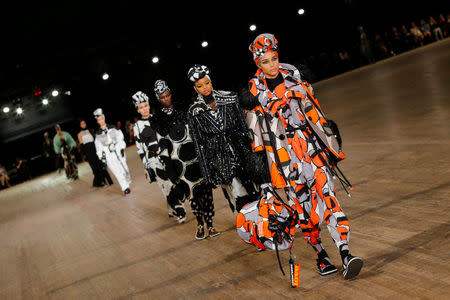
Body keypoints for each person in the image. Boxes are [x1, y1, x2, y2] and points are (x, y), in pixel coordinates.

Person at [243, 33, 363, 280]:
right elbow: (257, 138)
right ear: (258, 64)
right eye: (266, 61)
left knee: (328, 198)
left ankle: (345, 253)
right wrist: (263, 174)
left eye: (274, 58)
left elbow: (316, 114)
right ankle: (320, 254)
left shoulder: (297, 79)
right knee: (304, 210)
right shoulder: (254, 95)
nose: (272, 64)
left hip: (310, 149)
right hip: (284, 159)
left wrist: (330, 141)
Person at [133, 84, 219, 239]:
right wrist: (169, 169)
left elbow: (195, 130)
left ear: (170, 94)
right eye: (162, 97)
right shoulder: (158, 119)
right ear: (158, 99)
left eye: (167, 95)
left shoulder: (183, 109)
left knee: (206, 192)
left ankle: (211, 225)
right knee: (192, 195)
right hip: (180, 164)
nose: (165, 99)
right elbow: (162, 145)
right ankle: (200, 225)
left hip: (196, 157)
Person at [186, 65, 261, 214]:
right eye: (200, 86)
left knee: (256, 190)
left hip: (242, 151)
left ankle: (264, 221)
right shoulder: (194, 112)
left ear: (211, 81)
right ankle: (248, 226)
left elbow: (243, 126)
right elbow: (199, 144)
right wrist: (208, 174)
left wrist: (254, 152)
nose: (205, 88)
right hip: (220, 158)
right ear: (195, 88)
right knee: (238, 195)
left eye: (207, 83)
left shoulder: (229, 97)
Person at [94, 108, 131, 195]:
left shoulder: (113, 128)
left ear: (104, 118)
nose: (101, 121)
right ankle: (125, 187)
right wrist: (103, 158)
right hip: (109, 155)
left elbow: (120, 138)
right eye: (99, 120)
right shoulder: (98, 134)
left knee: (124, 170)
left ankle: (127, 181)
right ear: (97, 121)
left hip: (118, 151)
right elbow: (99, 148)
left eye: (102, 118)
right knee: (116, 171)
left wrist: (121, 147)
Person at [78, 119, 113, 187]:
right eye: (82, 124)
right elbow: (82, 146)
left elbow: (95, 140)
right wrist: (84, 156)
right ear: (80, 125)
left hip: (95, 150)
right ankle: (101, 182)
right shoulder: (79, 134)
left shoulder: (90, 131)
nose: (83, 125)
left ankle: (107, 181)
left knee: (101, 165)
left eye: (84, 123)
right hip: (88, 152)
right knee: (94, 167)